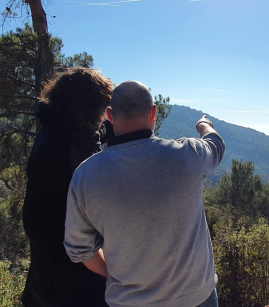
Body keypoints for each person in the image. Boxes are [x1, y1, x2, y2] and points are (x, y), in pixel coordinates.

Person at [64, 80, 225, 307]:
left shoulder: (85, 176)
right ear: (154, 113)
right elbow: (216, 144)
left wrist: (120, 275)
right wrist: (204, 125)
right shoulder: (189, 155)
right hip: (197, 298)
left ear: (110, 115)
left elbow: (80, 251)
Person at [22, 68, 114, 307]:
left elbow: (96, 137)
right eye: (104, 109)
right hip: (64, 287)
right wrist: (94, 270)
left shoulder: (69, 129)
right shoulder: (55, 150)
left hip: (79, 273)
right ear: (90, 109)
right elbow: (39, 224)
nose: (106, 116)